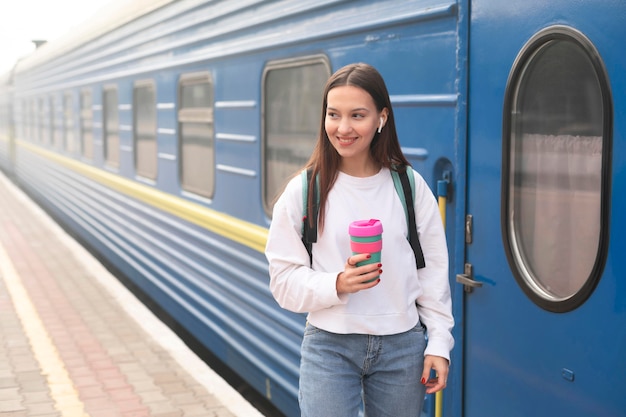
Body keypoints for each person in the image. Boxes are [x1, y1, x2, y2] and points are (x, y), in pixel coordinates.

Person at [265, 63, 454, 417]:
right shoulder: (304, 190)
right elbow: (282, 281)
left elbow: (432, 273)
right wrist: (337, 283)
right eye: (333, 114)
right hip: (329, 346)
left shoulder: (409, 187)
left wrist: (440, 343)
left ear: (382, 117)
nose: (343, 127)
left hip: (402, 345)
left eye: (358, 115)